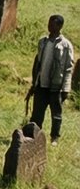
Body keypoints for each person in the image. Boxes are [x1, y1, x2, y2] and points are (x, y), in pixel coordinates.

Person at [26, 14, 73, 142]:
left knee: (56, 114)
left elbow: (68, 68)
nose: (49, 26)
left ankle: (54, 137)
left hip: (56, 85)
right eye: (49, 23)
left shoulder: (66, 45)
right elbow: (38, 63)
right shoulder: (43, 42)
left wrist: (66, 88)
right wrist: (34, 83)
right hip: (42, 83)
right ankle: (34, 136)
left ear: (59, 26)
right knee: (37, 113)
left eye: (52, 24)